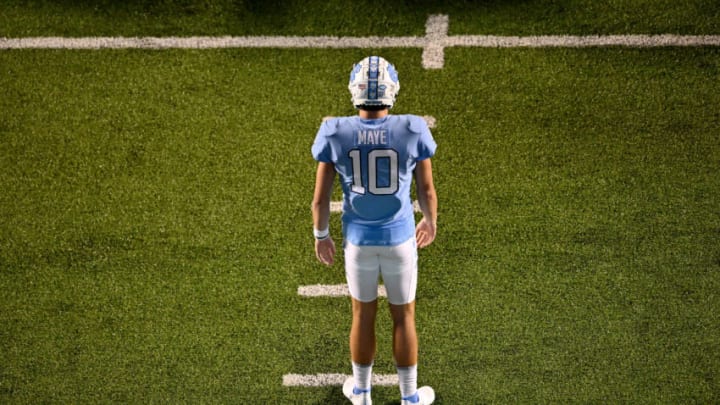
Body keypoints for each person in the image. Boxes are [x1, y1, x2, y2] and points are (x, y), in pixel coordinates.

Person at [310, 56, 437, 405]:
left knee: (362, 314)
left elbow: (320, 201)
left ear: (355, 90)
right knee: (403, 315)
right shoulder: (411, 128)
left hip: (358, 242)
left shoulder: (335, 131)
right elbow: (426, 191)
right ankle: (409, 398)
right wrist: (430, 221)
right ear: (392, 91)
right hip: (399, 240)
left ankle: (363, 394)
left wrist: (321, 236)